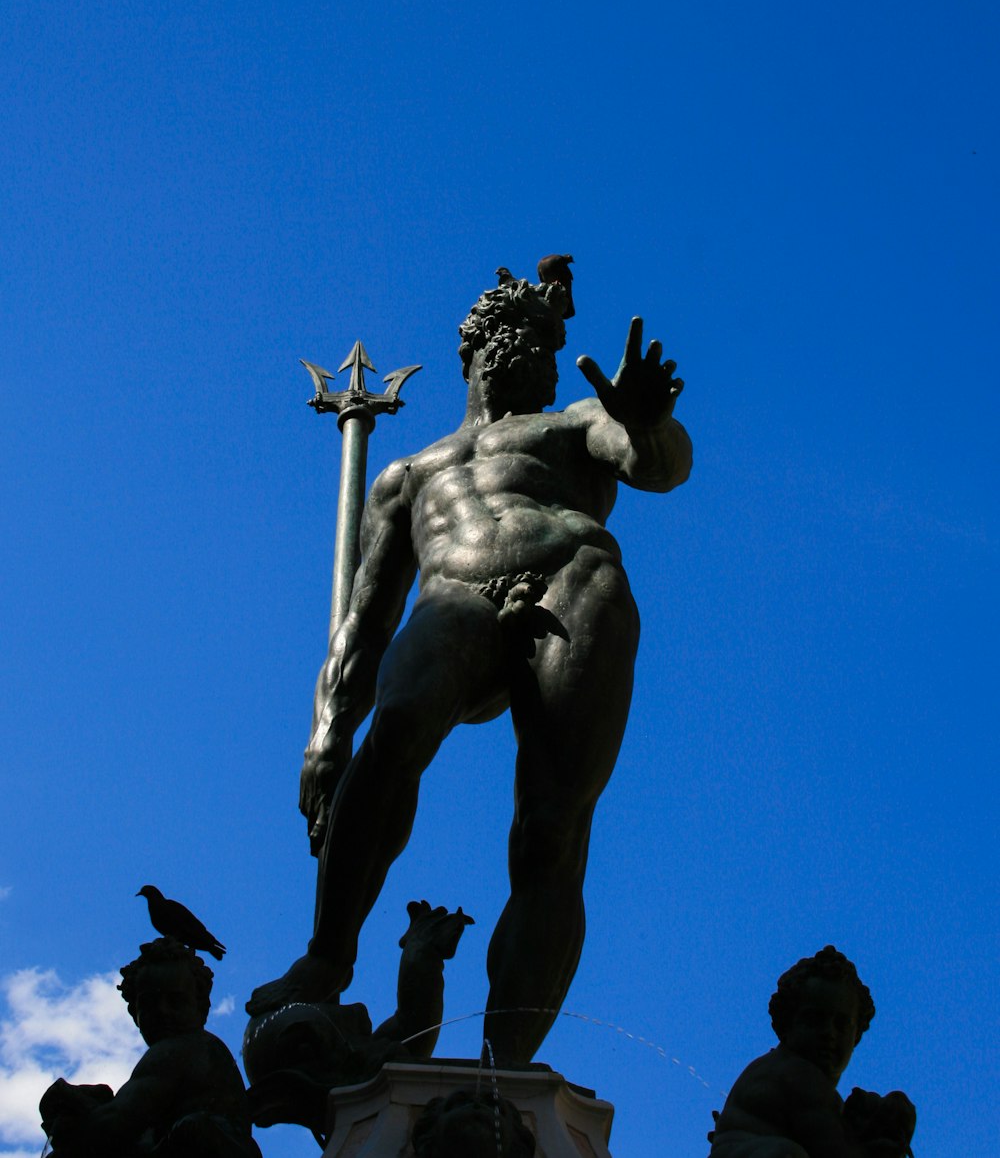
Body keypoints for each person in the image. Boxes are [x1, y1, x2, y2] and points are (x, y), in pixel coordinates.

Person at [248, 268, 692, 1063]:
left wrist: (649, 426)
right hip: (453, 596)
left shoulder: (577, 421)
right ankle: (328, 953)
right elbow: (361, 623)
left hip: (573, 579)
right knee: (400, 726)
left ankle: (504, 1066)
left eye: (551, 349)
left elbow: (653, 463)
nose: (544, 363)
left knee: (552, 829)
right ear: (481, 350)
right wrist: (326, 733)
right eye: (527, 343)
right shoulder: (407, 474)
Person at [40, 938, 261, 1156]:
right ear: (134, 1014)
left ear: (201, 1007)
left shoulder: (181, 1049)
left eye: (175, 1001)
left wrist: (73, 1109)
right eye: (150, 1004)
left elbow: (115, 1123)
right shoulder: (198, 1050)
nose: (163, 1011)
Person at [708, 946, 916, 1158]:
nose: (829, 1033)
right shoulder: (796, 1074)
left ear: (856, 1035)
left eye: (841, 1024)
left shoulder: (820, 1094)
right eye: (814, 1020)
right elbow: (835, 1153)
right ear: (787, 1024)